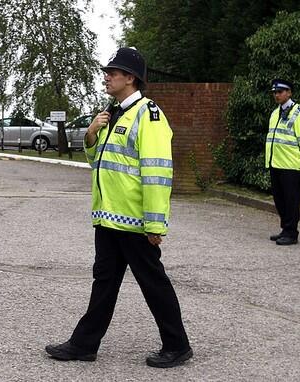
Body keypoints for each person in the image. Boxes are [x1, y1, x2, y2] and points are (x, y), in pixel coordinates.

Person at [45, 47, 192, 368]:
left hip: (135, 223)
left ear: (131, 78)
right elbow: (101, 164)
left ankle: (178, 345)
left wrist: (155, 224)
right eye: (108, 71)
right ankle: (84, 344)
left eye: (114, 72)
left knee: (153, 283)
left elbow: (156, 171)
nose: (107, 76)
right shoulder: (113, 114)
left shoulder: (148, 114)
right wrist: (90, 136)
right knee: (104, 283)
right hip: (109, 219)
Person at [266, 79, 300, 245]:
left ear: (289, 93)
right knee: (280, 199)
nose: (277, 95)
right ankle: (285, 229)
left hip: (290, 165)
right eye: (275, 92)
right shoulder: (275, 113)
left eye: (280, 92)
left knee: (291, 200)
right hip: (275, 163)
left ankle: (291, 233)